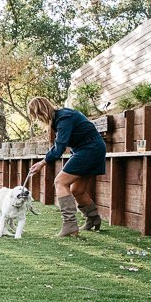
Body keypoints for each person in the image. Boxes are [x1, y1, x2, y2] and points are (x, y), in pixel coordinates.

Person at [27, 96, 106, 237]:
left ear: (40, 112)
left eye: (36, 116)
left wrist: (42, 163)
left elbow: (59, 148)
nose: (37, 120)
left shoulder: (64, 119)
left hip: (90, 149)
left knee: (60, 182)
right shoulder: (61, 117)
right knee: (77, 190)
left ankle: (69, 225)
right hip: (90, 148)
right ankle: (93, 219)